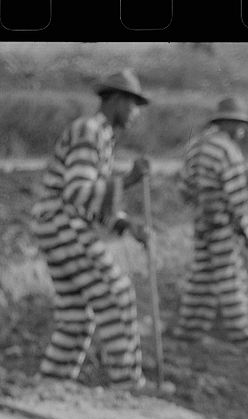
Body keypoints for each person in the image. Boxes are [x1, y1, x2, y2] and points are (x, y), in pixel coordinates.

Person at [30, 68, 153, 390]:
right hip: (61, 224)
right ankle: (128, 384)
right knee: (116, 293)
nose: (136, 113)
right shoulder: (89, 131)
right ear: (115, 100)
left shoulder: (102, 138)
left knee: (76, 316)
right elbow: (76, 193)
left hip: (58, 225)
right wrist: (128, 181)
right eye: (133, 104)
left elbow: (92, 202)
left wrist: (127, 225)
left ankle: (50, 386)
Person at [175, 96, 248, 355]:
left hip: (202, 222)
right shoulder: (228, 151)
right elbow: (236, 197)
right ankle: (244, 337)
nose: (242, 131)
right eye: (240, 125)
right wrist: (246, 231)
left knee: (202, 276)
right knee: (231, 278)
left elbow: (184, 188)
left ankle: (189, 331)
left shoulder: (195, 146)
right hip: (221, 224)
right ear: (230, 124)